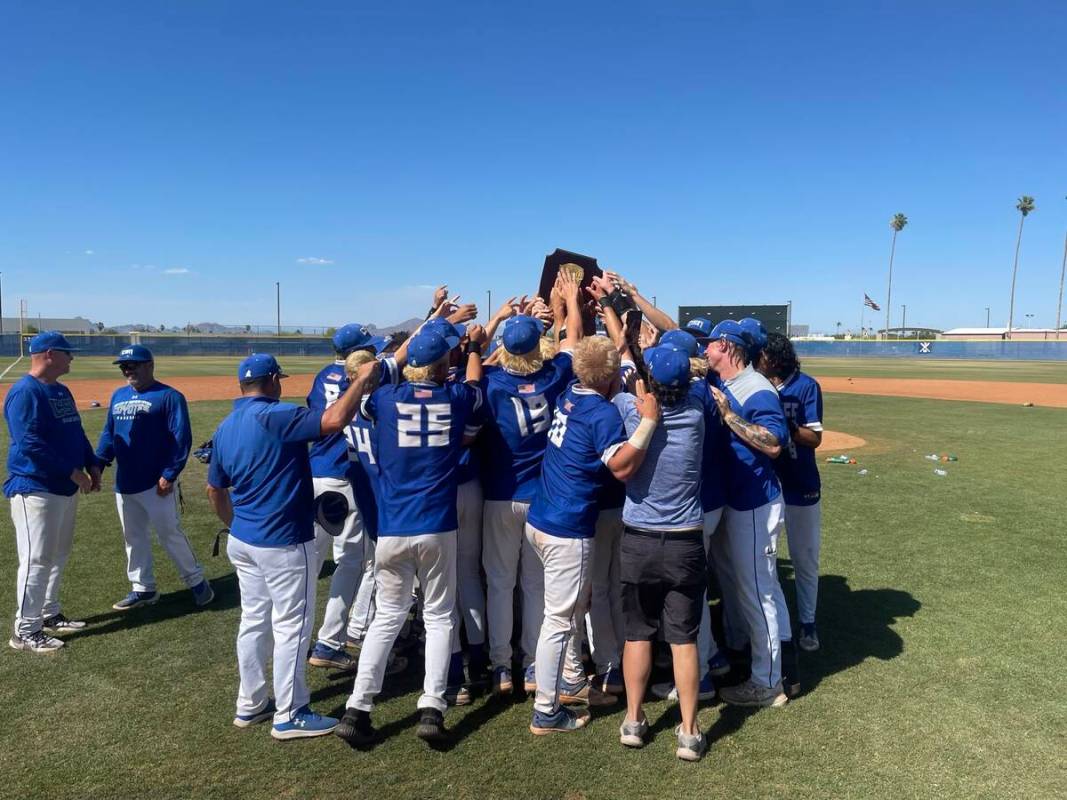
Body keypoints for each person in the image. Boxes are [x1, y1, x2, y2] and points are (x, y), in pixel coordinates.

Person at [207, 353, 380, 741]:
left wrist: (236, 525)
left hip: (245, 540)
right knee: (292, 627)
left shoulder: (226, 425)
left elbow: (214, 490)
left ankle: (251, 704)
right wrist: (363, 380)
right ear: (271, 381)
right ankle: (290, 712)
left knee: (253, 621)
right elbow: (335, 420)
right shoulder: (276, 414)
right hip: (283, 540)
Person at [334, 325, 486, 746]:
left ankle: (358, 707)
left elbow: (379, 378)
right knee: (439, 617)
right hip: (437, 525)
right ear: (442, 365)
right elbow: (474, 383)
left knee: (386, 617)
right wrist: (472, 346)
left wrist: (403, 356)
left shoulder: (383, 399)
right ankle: (433, 706)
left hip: (392, 526)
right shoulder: (456, 399)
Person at [525, 333, 658, 735]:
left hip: (543, 516)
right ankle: (546, 710)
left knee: (564, 612)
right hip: (568, 527)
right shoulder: (602, 413)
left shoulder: (570, 391)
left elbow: (597, 365)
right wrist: (648, 422)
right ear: (611, 376)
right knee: (560, 620)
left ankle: (569, 683)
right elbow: (621, 467)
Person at [478, 289, 582, 698]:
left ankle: (501, 664)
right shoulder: (555, 376)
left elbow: (477, 361)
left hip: (500, 493)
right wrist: (568, 304)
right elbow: (570, 339)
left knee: (501, 583)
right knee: (535, 585)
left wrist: (501, 324)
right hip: (542, 494)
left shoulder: (489, 382)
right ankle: (534, 664)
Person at [614, 346, 708, 761]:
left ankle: (634, 720)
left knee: (638, 634)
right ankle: (688, 732)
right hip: (685, 540)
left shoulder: (629, 410)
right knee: (683, 640)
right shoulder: (698, 413)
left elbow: (621, 379)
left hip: (639, 537)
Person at [704, 320, 793, 708]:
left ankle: (768, 681)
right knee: (749, 587)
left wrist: (729, 416)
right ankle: (754, 657)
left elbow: (773, 443)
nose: (704, 350)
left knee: (758, 592)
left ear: (726, 346)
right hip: (736, 499)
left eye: (710, 344)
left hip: (756, 502)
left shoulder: (756, 388)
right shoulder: (728, 379)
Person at [95, 345, 212, 611]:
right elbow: (108, 434)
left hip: (156, 482)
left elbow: (181, 439)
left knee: (170, 534)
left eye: (133, 365)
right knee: (133, 537)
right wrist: (98, 464)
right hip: (125, 482)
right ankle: (143, 588)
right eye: (124, 366)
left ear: (149, 365)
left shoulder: (169, 396)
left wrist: (170, 474)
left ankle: (197, 582)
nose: (127, 370)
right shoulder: (118, 396)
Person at [5, 331, 101, 653]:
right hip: (35, 488)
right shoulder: (24, 392)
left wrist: (92, 463)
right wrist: (72, 471)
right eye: (66, 352)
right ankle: (25, 630)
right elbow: (29, 443)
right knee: (36, 559)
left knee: (57, 555)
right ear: (49, 354)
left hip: (63, 488)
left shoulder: (61, 390)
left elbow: (76, 430)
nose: (71, 357)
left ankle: (49, 613)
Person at [306, 323, 387, 671]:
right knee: (356, 562)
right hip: (345, 476)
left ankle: (304, 636)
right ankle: (334, 639)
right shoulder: (358, 378)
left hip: (314, 475)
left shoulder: (323, 374)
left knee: (310, 564)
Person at [758, 332, 824, 651]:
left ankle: (808, 623)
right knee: (763, 559)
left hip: (801, 484)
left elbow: (814, 438)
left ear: (773, 358)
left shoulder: (806, 386)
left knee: (805, 557)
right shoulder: (757, 385)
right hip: (766, 486)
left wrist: (785, 427)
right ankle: (767, 625)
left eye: (761, 355)